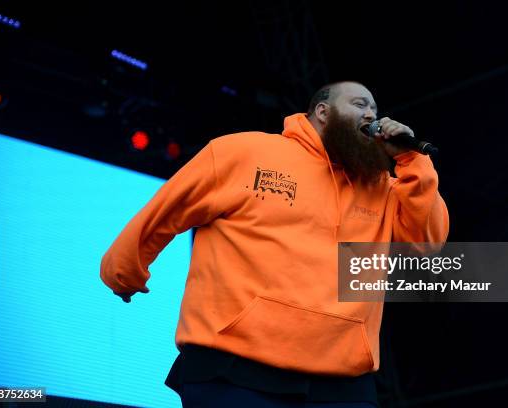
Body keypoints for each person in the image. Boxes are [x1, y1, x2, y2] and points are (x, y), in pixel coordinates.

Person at [100, 81, 449, 407]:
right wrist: (124, 271)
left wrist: (411, 159)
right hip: (234, 368)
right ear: (323, 112)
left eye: (375, 107)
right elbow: (167, 211)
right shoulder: (245, 151)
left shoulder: (381, 185)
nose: (372, 114)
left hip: (343, 381)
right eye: (360, 104)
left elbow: (427, 242)